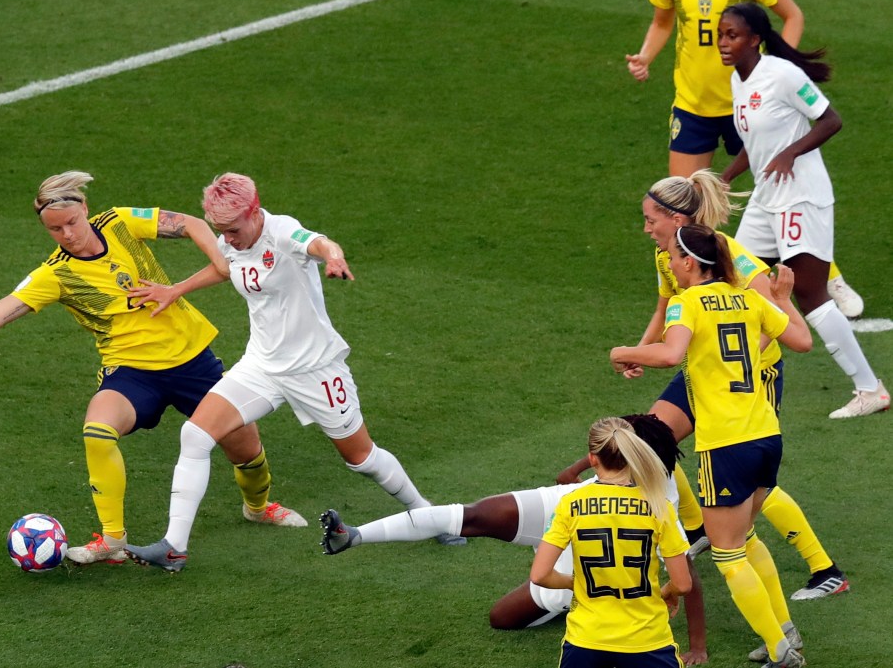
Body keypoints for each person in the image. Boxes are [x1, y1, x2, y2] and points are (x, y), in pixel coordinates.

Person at [0, 171, 306, 566]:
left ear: (84, 208)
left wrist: (217, 264)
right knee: (97, 430)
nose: (66, 234)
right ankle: (113, 539)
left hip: (192, 359)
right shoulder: (57, 274)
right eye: (55, 229)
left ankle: (258, 507)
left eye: (70, 222)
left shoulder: (120, 222)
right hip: (131, 372)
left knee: (244, 448)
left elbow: (192, 222)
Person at [122, 172, 462, 572]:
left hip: (315, 369)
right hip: (261, 366)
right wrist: (176, 289)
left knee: (361, 458)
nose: (226, 239)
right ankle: (173, 547)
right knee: (195, 434)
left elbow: (319, 243)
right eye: (220, 231)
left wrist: (333, 257)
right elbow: (225, 266)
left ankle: (429, 516)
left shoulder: (284, 233)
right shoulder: (231, 240)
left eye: (231, 230)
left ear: (253, 211)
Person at [578, 171, 848, 601]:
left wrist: (728, 369)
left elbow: (771, 317)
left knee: (752, 474)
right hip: (702, 370)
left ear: (676, 217)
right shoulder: (670, 256)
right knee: (649, 439)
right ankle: (699, 525)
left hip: (752, 375)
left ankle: (824, 568)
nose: (646, 228)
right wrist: (638, 352)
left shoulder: (729, 254)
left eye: (651, 220)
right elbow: (666, 308)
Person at [319, 414, 711, 664]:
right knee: (479, 533)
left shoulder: (575, 502)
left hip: (573, 596)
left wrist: (582, 586)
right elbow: (684, 578)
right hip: (635, 623)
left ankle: (356, 535)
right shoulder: (661, 500)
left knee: (492, 584)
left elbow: (542, 573)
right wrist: (695, 644)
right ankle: (354, 535)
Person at [626, 0, 863, 317]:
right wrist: (646, 56)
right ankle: (692, 286)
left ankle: (827, 276)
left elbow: (793, 16)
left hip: (748, 112)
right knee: (682, 204)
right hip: (693, 105)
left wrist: (772, 73)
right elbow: (662, 21)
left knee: (781, 196)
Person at [611, 224, 813, 667]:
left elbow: (669, 354)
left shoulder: (688, 303)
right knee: (748, 537)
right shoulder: (750, 297)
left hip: (725, 444)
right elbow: (802, 340)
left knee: (727, 554)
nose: (673, 267)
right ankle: (783, 631)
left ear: (689, 262)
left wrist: (622, 351)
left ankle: (782, 655)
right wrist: (782, 299)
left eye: (676, 260)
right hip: (766, 435)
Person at [717, 2, 889, 419]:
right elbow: (757, 147)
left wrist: (791, 153)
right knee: (733, 274)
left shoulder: (784, 75)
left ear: (755, 39)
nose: (723, 43)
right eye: (721, 34)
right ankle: (745, 371)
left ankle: (871, 390)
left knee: (811, 293)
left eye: (733, 35)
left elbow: (830, 120)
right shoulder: (739, 80)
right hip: (766, 196)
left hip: (801, 196)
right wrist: (722, 179)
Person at [529, 417, 692, 668]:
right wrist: (666, 593)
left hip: (586, 640)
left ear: (593, 458)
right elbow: (682, 583)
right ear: (631, 454)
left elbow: (540, 575)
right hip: (647, 641)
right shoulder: (659, 506)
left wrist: (574, 583)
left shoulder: (570, 504)